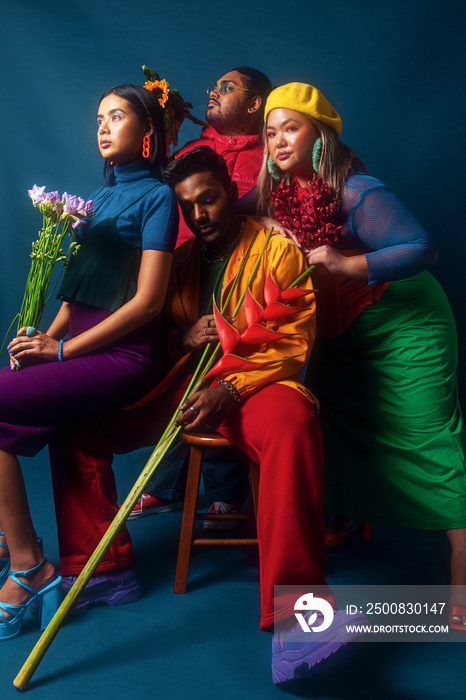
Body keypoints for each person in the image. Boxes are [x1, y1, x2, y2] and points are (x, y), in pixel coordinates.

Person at [47, 146, 366, 681]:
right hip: (183, 386)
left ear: (229, 193)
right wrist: (179, 338)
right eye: (187, 206)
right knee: (77, 419)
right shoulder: (180, 262)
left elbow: (292, 343)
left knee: (293, 427)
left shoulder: (277, 251)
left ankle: (299, 619)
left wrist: (233, 389)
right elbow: (151, 334)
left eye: (209, 199)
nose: (200, 214)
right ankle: (102, 569)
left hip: (255, 385)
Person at [256, 81, 466, 630]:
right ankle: (340, 522)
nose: (278, 141)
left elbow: (422, 247)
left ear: (319, 135)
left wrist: (349, 265)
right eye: (271, 132)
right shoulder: (279, 192)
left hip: (405, 322)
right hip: (343, 330)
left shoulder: (357, 192)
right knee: (324, 417)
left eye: (291, 128)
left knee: (428, 437)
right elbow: (235, 212)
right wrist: (264, 224)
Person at [0, 82, 178, 640]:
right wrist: (40, 337)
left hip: (124, 356)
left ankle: (28, 566)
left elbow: (147, 301)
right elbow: (76, 295)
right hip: (77, 348)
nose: (102, 126)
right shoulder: (96, 201)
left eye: (117, 116)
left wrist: (61, 351)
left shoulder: (158, 199)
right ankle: (16, 546)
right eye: (99, 117)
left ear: (146, 135)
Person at [131, 66, 273, 522]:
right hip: (172, 276)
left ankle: (223, 489)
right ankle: (167, 481)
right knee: (171, 368)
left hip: (239, 274)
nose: (212, 92)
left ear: (255, 104)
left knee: (223, 366)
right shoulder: (191, 148)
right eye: (212, 86)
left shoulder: (271, 154)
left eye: (226, 88)